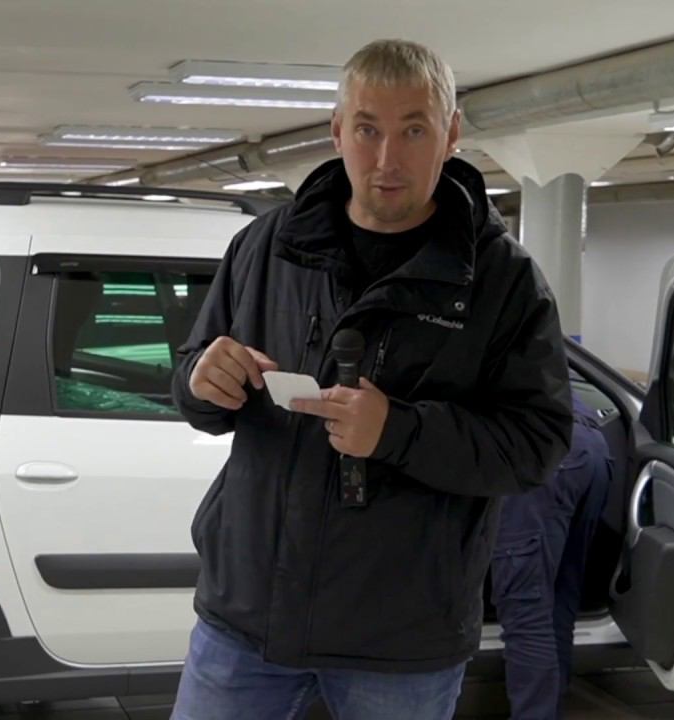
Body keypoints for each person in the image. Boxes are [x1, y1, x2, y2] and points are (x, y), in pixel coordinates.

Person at [170, 38, 574, 720]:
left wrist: (398, 431)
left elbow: (537, 442)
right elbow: (195, 375)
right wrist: (200, 382)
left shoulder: (503, 280)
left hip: (401, 640)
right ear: (337, 132)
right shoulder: (266, 246)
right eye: (367, 129)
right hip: (247, 618)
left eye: (414, 130)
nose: (387, 158)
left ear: (451, 134)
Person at [491, 394, 613, 720]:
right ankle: (549, 710)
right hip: (590, 446)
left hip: (540, 451)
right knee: (559, 600)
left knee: (526, 612)